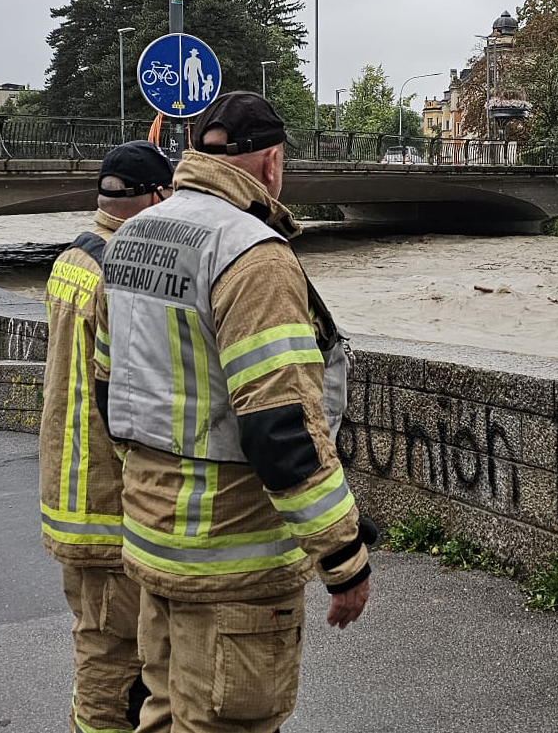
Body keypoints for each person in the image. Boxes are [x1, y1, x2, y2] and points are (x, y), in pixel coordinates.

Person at [94, 91, 372, 733]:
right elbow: (282, 430)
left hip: (154, 545)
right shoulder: (254, 256)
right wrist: (342, 556)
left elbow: (113, 397)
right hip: (234, 564)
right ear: (272, 163)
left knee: (163, 716)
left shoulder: (131, 239)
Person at [40, 141, 175, 733]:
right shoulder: (121, 272)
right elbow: (123, 391)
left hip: (67, 487)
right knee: (112, 655)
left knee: (99, 641)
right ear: (154, 197)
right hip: (105, 497)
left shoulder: (73, 257)